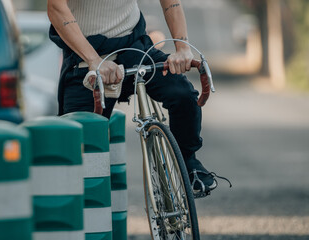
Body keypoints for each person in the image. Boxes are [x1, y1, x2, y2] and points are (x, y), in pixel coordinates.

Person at [47, 0, 218, 193]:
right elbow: (56, 8)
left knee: (183, 94)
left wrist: (182, 48)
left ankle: (187, 162)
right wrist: (93, 60)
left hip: (133, 46)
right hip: (87, 55)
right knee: (78, 148)